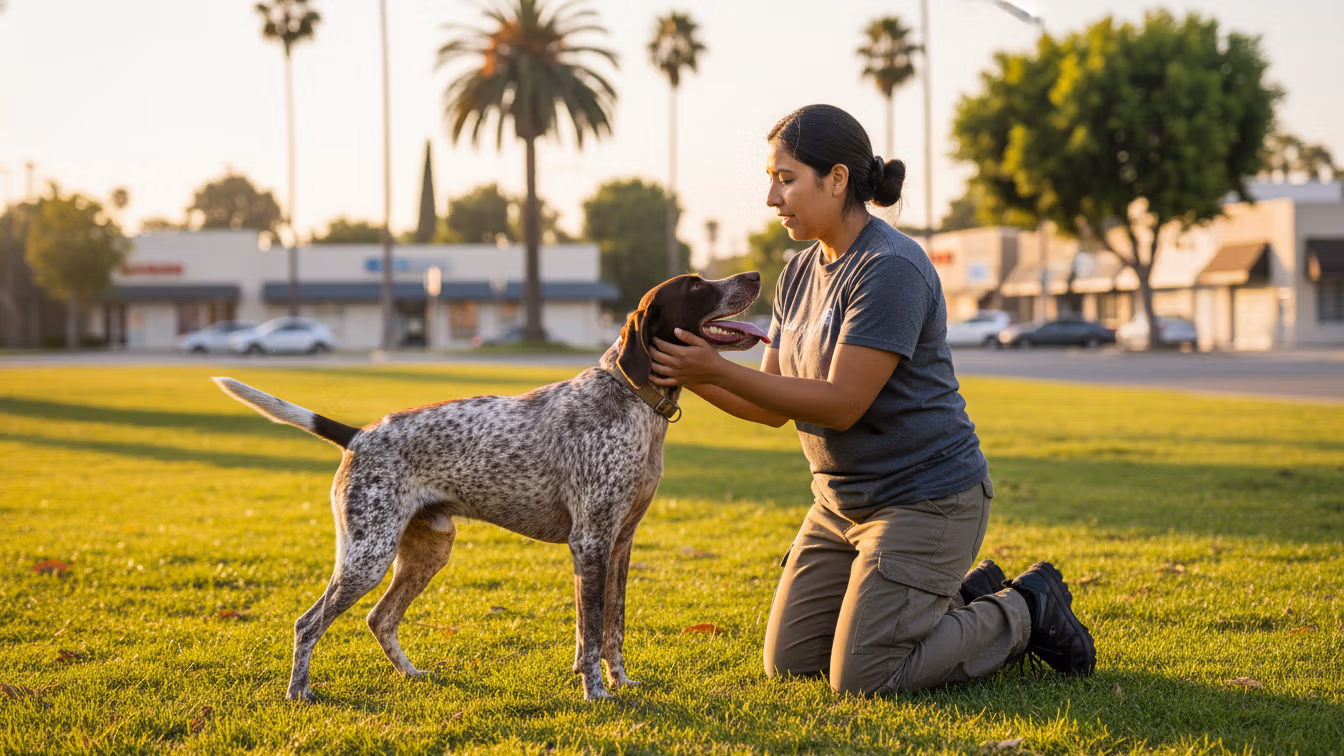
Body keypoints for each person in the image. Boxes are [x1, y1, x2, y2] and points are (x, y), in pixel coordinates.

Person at [649, 104, 1095, 695]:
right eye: (771, 180)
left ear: (836, 179)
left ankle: (1026, 609)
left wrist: (714, 369)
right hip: (840, 506)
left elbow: (841, 404)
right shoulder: (799, 272)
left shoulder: (890, 267)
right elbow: (773, 406)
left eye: (786, 179)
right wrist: (685, 371)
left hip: (925, 500)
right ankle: (964, 596)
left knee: (864, 677)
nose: (771, 198)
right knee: (792, 663)